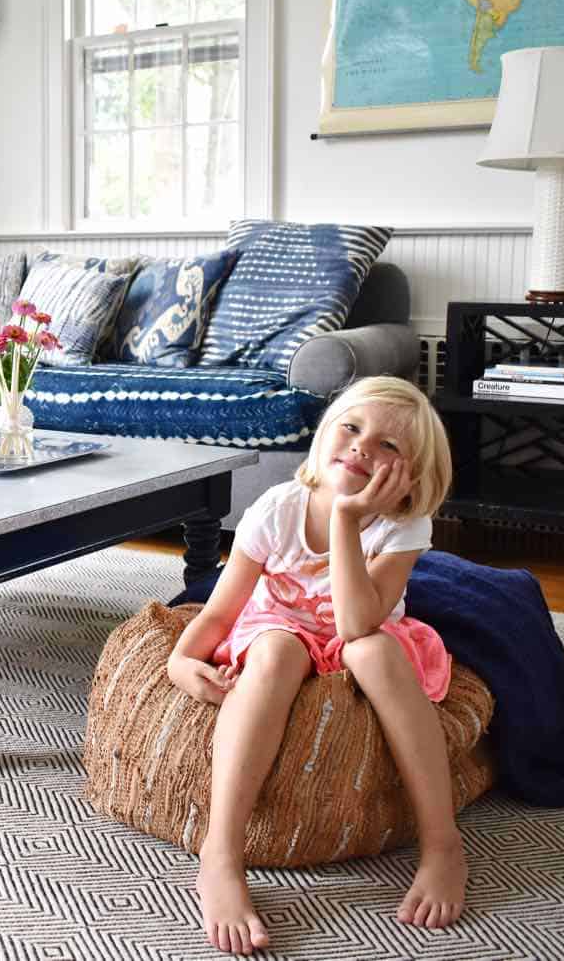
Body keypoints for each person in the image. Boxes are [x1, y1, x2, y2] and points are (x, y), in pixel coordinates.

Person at [166, 375, 459, 955]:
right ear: (325, 433)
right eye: (351, 428)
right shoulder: (277, 509)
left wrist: (349, 519)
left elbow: (358, 623)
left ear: (410, 478)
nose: (362, 448)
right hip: (278, 630)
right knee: (277, 647)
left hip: (359, 630)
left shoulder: (403, 525)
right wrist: (180, 660)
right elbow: (221, 609)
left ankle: (442, 840)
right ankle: (221, 853)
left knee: (370, 649)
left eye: (388, 447)